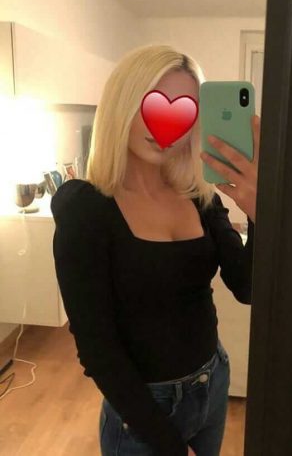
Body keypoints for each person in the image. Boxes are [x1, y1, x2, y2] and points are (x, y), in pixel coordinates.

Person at [50, 44, 260, 456]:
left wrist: (258, 214)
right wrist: (167, 444)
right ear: (122, 104)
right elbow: (97, 347)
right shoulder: (87, 209)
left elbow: (247, 287)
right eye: (152, 103)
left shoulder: (200, 197)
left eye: (185, 110)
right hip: (144, 412)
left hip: (212, 381)